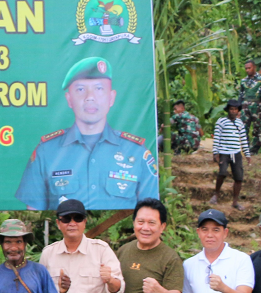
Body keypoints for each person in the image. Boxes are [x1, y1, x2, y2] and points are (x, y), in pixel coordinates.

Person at [16, 57, 159, 210]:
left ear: (111, 97)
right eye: (80, 89)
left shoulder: (137, 152)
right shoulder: (46, 151)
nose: (90, 97)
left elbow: (150, 212)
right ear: (69, 99)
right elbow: (34, 211)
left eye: (99, 88)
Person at [210, 100, 252, 211]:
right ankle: (216, 195)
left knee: (238, 178)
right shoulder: (221, 121)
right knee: (222, 173)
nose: (233, 111)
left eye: (235, 109)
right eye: (231, 109)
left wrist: (247, 154)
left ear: (238, 111)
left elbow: (243, 140)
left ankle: (235, 202)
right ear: (228, 110)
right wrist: (215, 152)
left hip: (236, 153)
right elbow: (217, 137)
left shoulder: (240, 123)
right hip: (224, 152)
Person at [236, 59, 261, 153]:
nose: (247, 70)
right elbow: (241, 95)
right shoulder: (243, 81)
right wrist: (238, 109)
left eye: (249, 68)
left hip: (257, 106)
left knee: (257, 128)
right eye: (246, 68)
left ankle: (254, 149)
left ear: (254, 67)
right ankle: (245, 148)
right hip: (245, 106)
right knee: (243, 128)